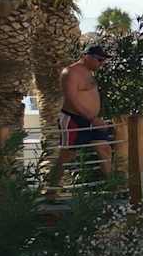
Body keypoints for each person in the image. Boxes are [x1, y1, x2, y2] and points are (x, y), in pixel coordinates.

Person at [49, 44, 114, 189]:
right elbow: (71, 99)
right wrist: (92, 118)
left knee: (104, 149)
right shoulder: (70, 72)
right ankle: (51, 190)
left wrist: (94, 117)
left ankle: (112, 187)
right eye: (99, 60)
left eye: (104, 60)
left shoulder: (89, 72)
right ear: (86, 57)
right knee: (67, 156)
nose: (102, 63)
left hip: (92, 120)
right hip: (73, 119)